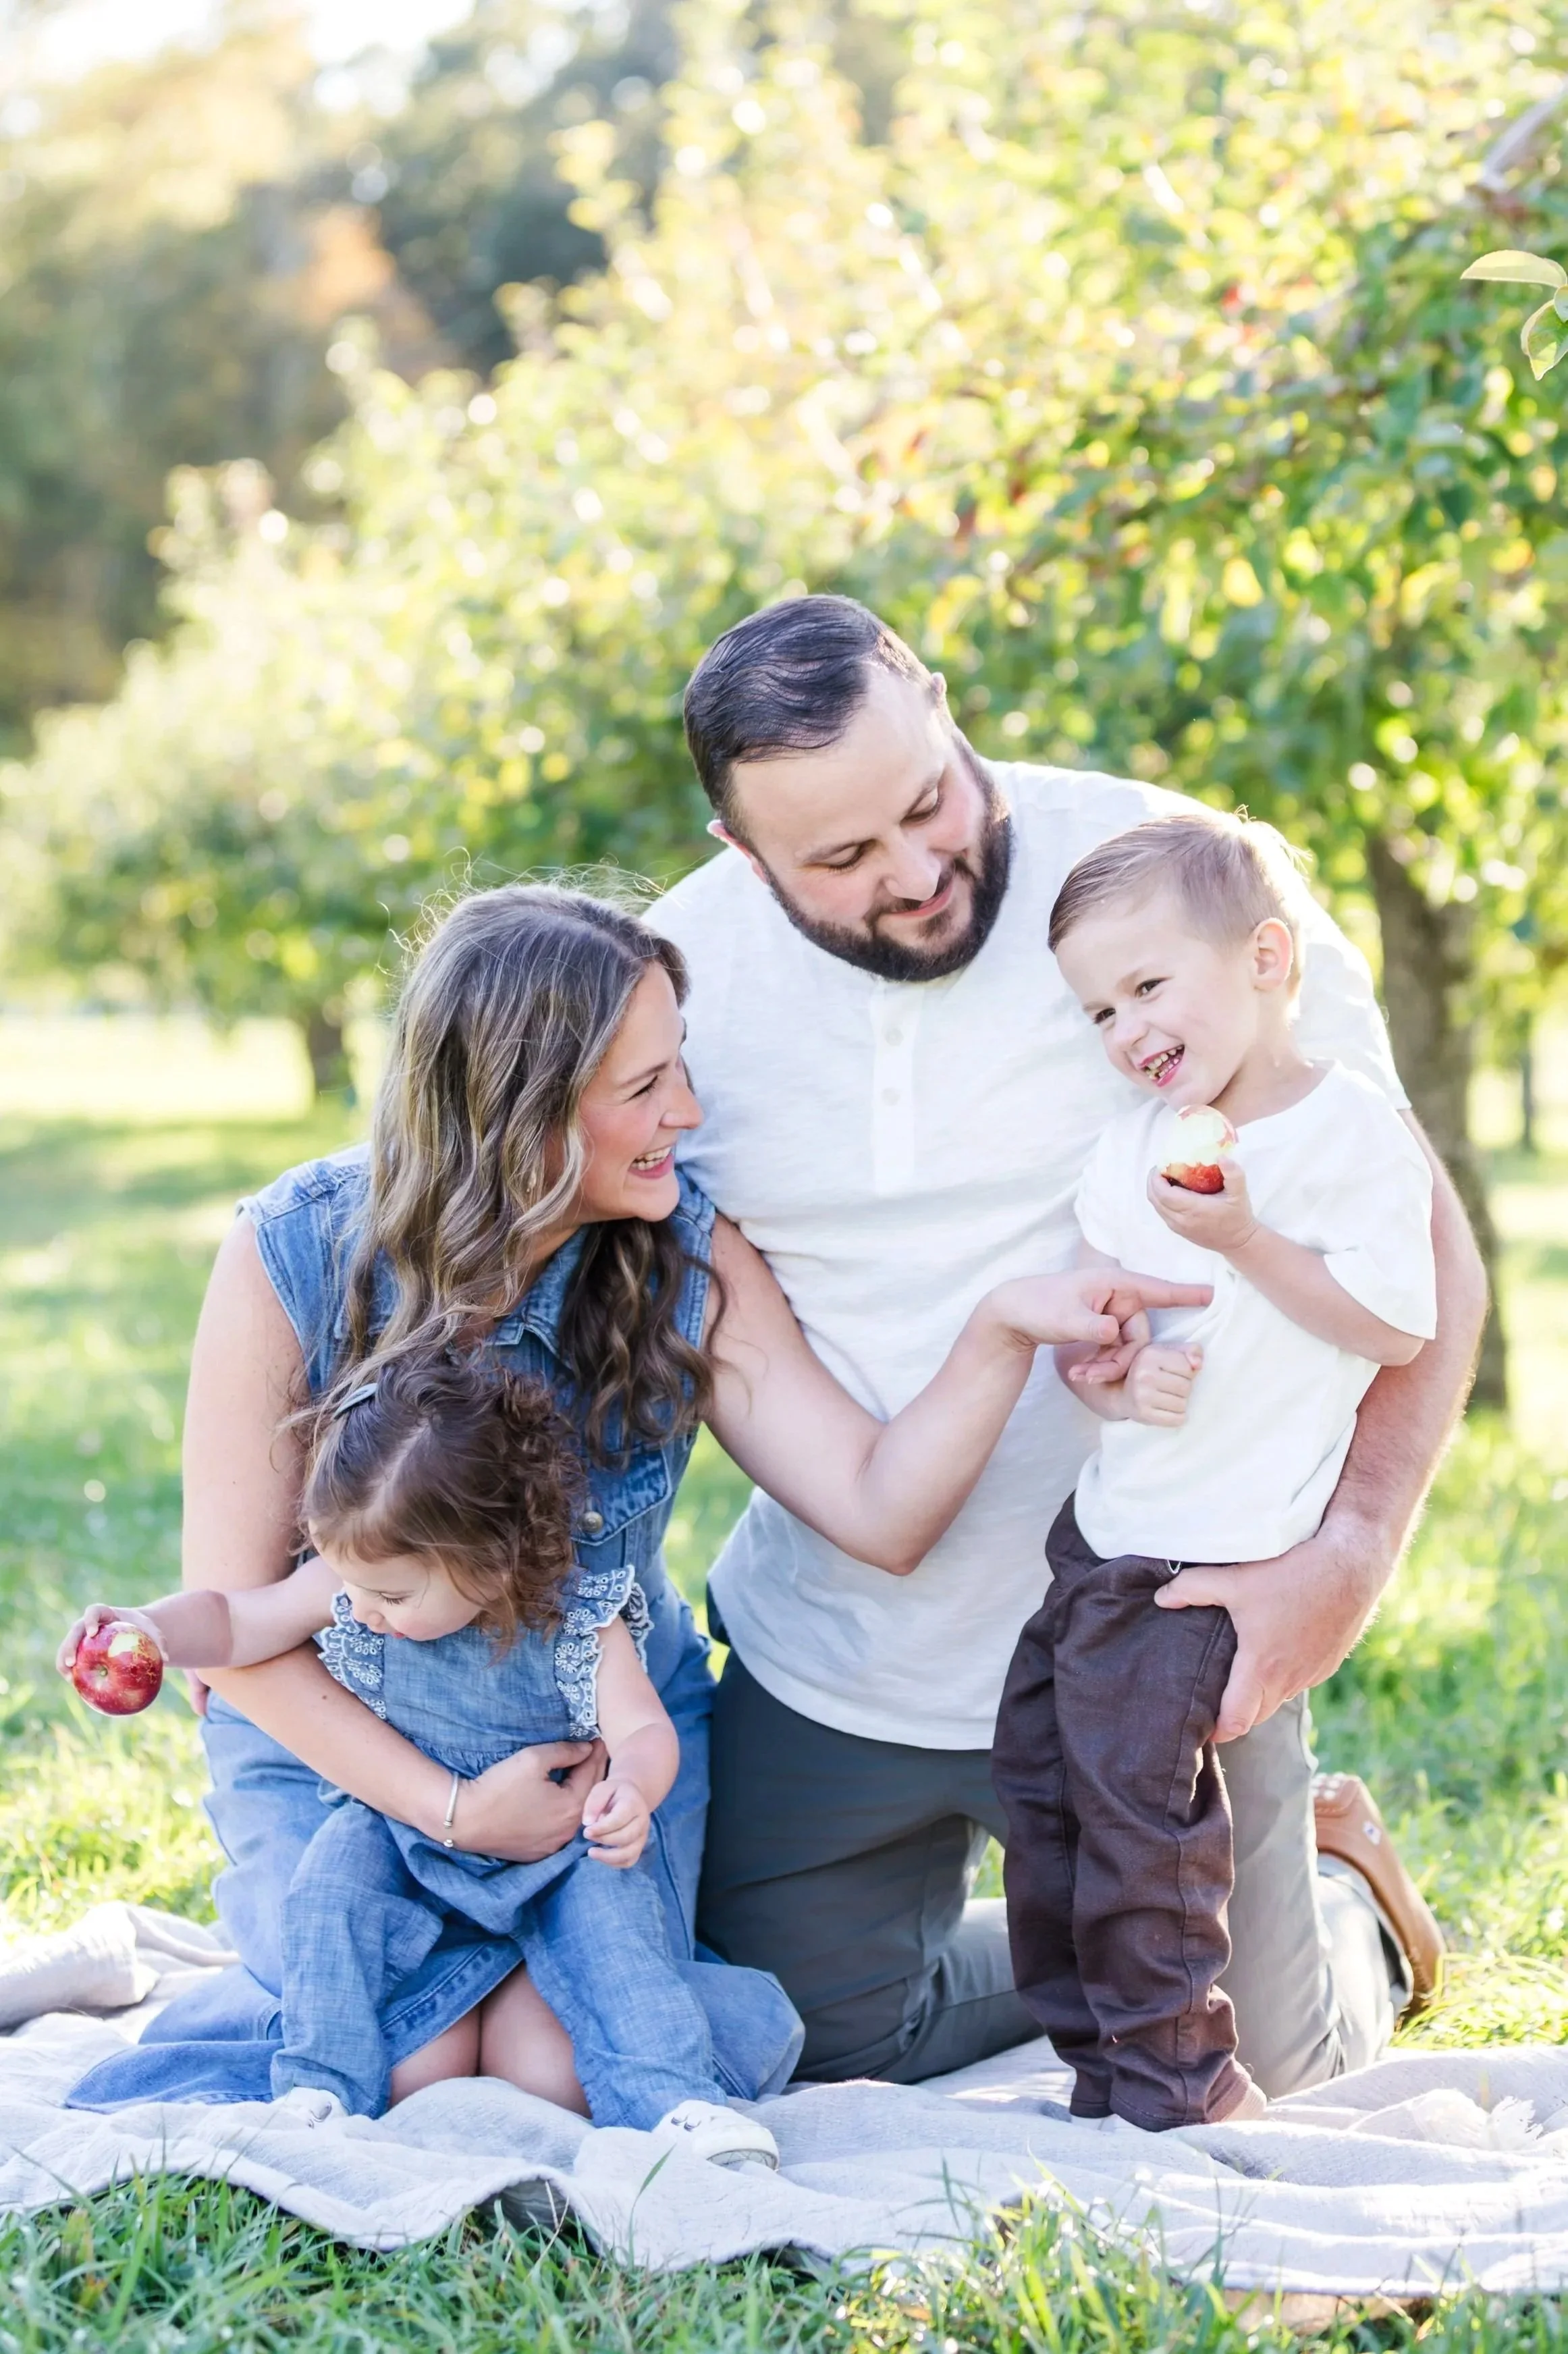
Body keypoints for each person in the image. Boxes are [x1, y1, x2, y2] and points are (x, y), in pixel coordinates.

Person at [65, 881, 1201, 2114]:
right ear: (524, 1110)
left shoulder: (676, 1252)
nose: (689, 1113)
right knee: (402, 2059)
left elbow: (879, 1508)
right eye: (644, 1087)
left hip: (594, 1735)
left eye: (680, 1070)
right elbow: (236, 1637)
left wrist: (998, 1334)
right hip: (342, 1746)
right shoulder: (293, 1247)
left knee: (556, 2069)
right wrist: (448, 1806)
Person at [651, 593, 1486, 2095]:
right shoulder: (672, 985)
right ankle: (1079, 1929)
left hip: (1163, 1613)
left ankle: (1345, 1894)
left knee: (1267, 2077)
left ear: (946, 702)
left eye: (929, 801)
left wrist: (1347, 1553)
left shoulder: (1172, 886)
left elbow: (1417, 1252)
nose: (914, 873)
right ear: (740, 853)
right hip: (842, 1658)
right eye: (841, 859)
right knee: (800, 2043)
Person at [61, 1353, 797, 2162]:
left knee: (618, 1934)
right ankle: (319, 2086)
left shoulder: (579, 1621)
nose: (364, 1613)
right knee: (331, 1886)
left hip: (558, 1846)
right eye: (355, 1588)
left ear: (492, 1561)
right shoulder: (357, 1586)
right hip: (407, 1835)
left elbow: (643, 1729)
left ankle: (675, 2104)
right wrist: (152, 1628)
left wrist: (631, 1787)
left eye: (393, 1597)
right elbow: (236, 1621)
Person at [990, 811, 1439, 2131]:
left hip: (1216, 1552)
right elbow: (1112, 1321)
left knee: (1146, 1823)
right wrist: (1111, 1373)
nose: (1124, 1030)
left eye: (1145, 987)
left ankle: (1186, 2086)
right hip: (1108, 1526)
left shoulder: (1343, 1133)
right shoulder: (1137, 1141)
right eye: (1097, 1011)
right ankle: (1098, 2062)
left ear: (1263, 957)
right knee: (1040, 1792)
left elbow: (1391, 1323)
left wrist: (1244, 1234)